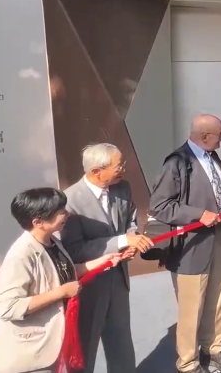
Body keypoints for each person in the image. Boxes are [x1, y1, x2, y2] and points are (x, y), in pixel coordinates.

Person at [149, 114, 221, 373]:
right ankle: (188, 362)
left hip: (217, 237)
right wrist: (198, 214)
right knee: (192, 307)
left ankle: (214, 347)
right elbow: (160, 206)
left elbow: (218, 192)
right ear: (205, 136)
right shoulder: (177, 162)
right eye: (220, 134)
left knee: (217, 296)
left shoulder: (212, 157)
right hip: (190, 246)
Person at [0, 188, 122, 373]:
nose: (67, 214)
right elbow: (8, 307)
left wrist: (103, 261)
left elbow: (64, 273)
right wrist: (61, 292)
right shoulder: (20, 256)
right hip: (31, 357)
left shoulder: (52, 242)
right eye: (61, 212)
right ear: (38, 222)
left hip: (55, 345)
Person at [59, 144, 153, 373]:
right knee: (86, 347)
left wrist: (131, 239)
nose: (123, 169)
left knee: (121, 343)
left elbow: (130, 221)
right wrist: (121, 241)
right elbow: (75, 250)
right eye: (118, 165)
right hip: (89, 286)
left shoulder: (122, 188)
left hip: (118, 281)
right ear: (96, 171)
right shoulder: (70, 201)